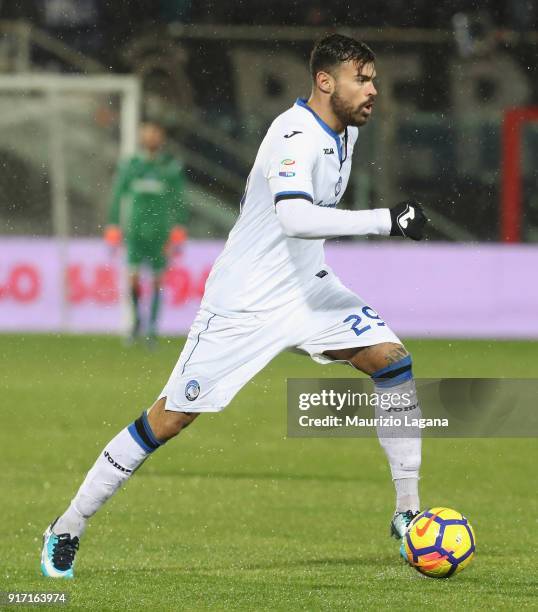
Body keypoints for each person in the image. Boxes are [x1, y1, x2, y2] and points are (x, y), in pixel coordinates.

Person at [41, 34, 427, 578]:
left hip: (307, 288)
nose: (373, 90)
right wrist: (385, 220)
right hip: (244, 303)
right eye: (361, 79)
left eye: (373, 79)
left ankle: (407, 514)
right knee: (169, 419)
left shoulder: (344, 134)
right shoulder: (293, 136)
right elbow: (294, 217)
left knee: (392, 359)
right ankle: (67, 525)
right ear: (324, 81)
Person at [104, 121, 188, 344]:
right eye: (147, 133)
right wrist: (113, 224)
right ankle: (136, 323)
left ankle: (152, 329)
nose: (151, 137)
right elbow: (117, 195)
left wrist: (179, 228)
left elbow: (179, 200)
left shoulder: (169, 168)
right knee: (133, 279)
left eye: (155, 133)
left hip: (160, 232)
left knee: (158, 280)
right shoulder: (131, 165)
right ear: (142, 137)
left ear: (161, 138)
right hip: (135, 230)